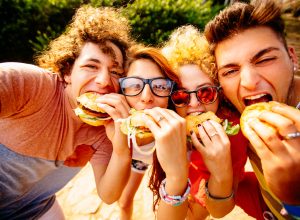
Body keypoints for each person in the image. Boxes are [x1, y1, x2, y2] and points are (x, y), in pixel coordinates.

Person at [0, 5, 135, 219]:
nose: (103, 81)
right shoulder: (27, 83)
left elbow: (109, 195)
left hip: (33, 207)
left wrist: (121, 147)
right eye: (91, 66)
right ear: (67, 71)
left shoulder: (106, 128)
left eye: (115, 71)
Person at [204, 0, 300, 219]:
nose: (248, 82)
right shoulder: (229, 113)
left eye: (265, 59)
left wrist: (296, 199)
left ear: (292, 58)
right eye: (230, 72)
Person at [148, 25, 254, 220]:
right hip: (184, 176)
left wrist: (221, 170)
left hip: (209, 186)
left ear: (219, 92)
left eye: (206, 92)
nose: (195, 104)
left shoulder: (234, 132)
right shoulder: (168, 122)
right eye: (181, 96)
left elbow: (220, 209)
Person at [117, 46, 188, 220]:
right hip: (137, 161)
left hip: (163, 162)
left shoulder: (179, 135)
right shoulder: (114, 126)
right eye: (134, 85)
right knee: (124, 202)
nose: (146, 97)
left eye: (160, 86)